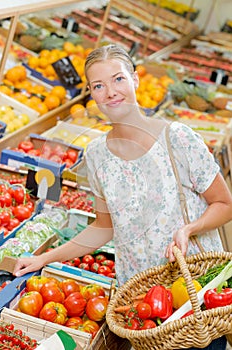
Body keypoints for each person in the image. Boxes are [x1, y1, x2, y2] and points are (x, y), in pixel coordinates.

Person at [14, 44, 232, 350]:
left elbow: (224, 204)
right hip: (139, 304)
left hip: (193, 297)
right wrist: (43, 258)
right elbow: (104, 228)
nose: (111, 93)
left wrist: (189, 229)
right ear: (90, 92)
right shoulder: (96, 154)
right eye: (99, 86)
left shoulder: (178, 138)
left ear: (135, 79)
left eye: (118, 79)